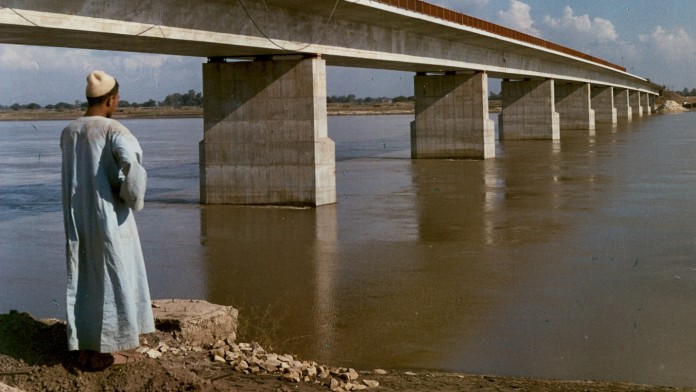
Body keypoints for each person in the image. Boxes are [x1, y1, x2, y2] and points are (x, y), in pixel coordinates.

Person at [60, 70, 154, 370]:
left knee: (85, 277)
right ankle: (104, 353)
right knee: (114, 276)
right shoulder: (114, 130)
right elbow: (132, 166)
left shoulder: (70, 131)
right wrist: (129, 196)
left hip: (78, 218)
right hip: (110, 216)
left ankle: (86, 347)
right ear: (112, 100)